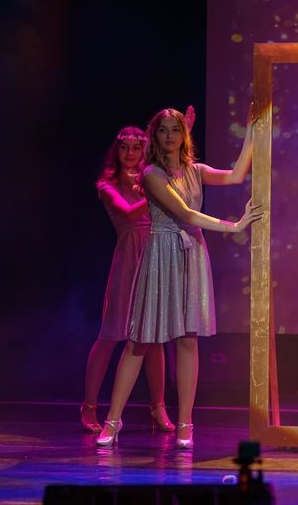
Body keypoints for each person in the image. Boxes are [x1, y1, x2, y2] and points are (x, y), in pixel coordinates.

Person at [96, 106, 261, 449]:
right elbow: (186, 213)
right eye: (163, 130)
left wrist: (251, 131)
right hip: (161, 255)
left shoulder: (195, 170)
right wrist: (234, 226)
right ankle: (112, 420)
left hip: (191, 254)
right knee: (140, 340)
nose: (169, 136)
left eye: (175, 129)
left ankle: (186, 423)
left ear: (184, 134)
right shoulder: (152, 174)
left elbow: (236, 175)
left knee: (188, 339)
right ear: (154, 136)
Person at [81, 126, 173, 434]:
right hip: (129, 257)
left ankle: (158, 407)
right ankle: (89, 406)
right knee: (110, 336)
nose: (130, 153)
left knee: (155, 337)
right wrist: (157, 193)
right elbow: (129, 213)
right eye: (125, 148)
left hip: (155, 253)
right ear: (117, 151)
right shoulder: (108, 185)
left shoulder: (151, 179)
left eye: (136, 148)